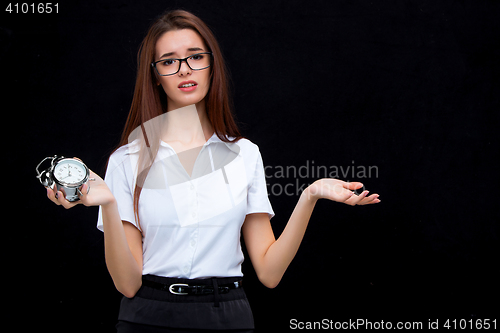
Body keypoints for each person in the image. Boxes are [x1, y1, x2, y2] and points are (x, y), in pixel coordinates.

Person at [46, 9, 380, 332]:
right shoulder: (126, 160)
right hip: (148, 318)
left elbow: (269, 272)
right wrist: (108, 204)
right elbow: (128, 284)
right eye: (168, 62)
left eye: (195, 57)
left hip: (227, 319)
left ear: (211, 66)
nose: (184, 70)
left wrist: (310, 195)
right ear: (156, 77)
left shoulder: (245, 155)